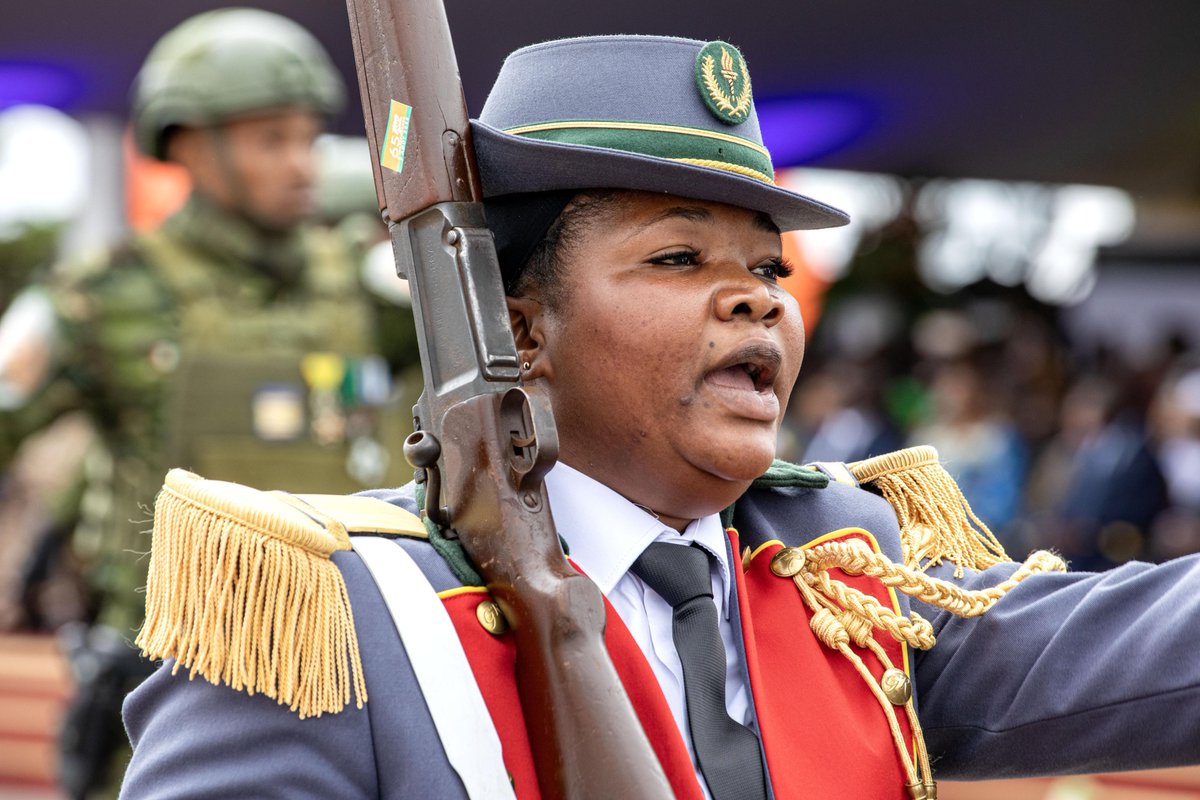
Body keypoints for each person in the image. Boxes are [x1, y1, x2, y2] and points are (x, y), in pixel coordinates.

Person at [120, 35, 1200, 799]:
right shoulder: (332, 623)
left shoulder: (847, 574)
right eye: (679, 257)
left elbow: (1145, 652)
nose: (759, 298)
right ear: (518, 324)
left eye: (769, 267)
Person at [0, 8, 417, 797]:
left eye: (306, 137)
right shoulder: (106, 294)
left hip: (351, 675)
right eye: (271, 140)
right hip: (172, 698)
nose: (302, 163)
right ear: (188, 145)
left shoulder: (364, 284)